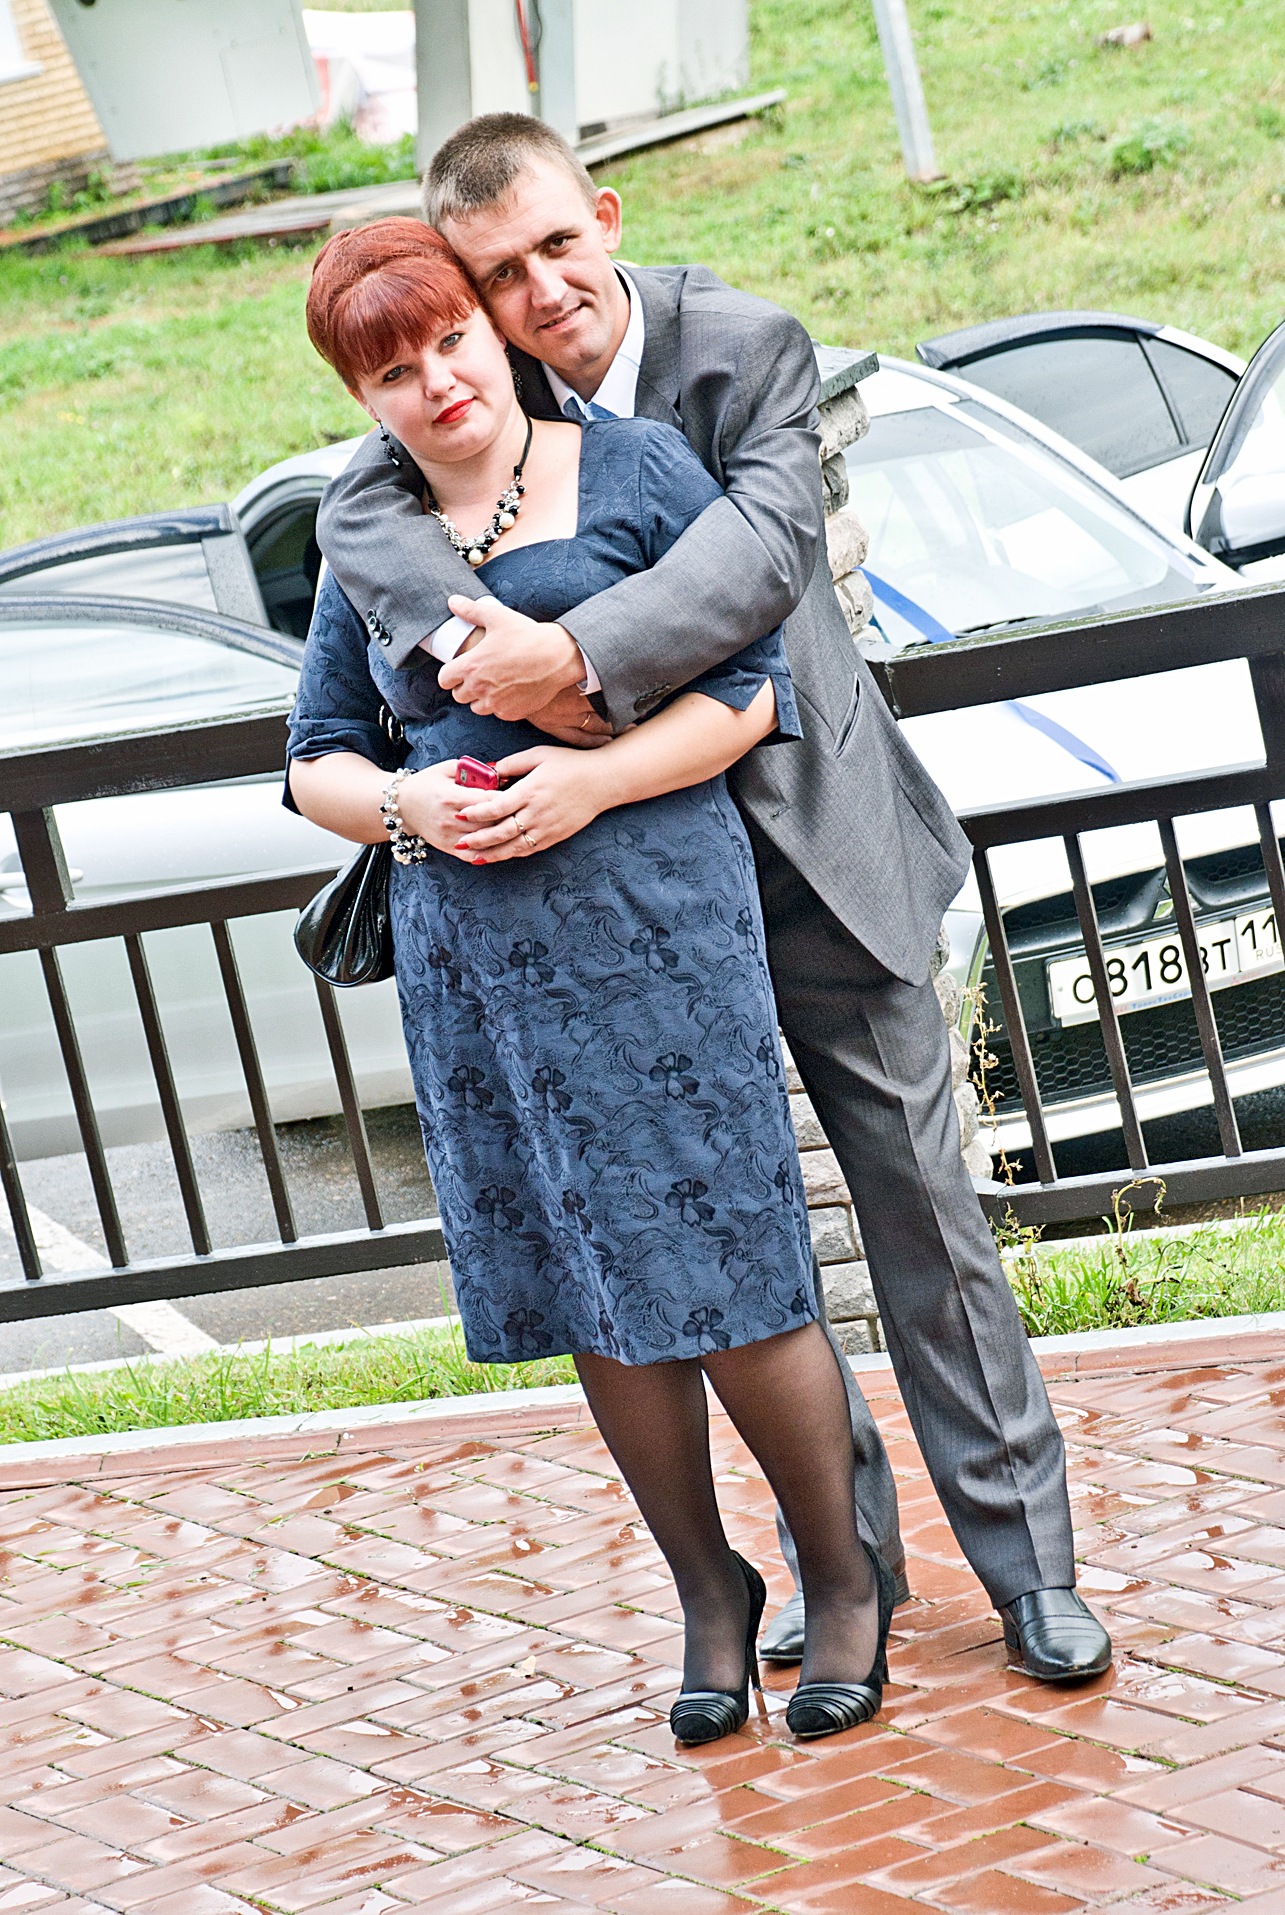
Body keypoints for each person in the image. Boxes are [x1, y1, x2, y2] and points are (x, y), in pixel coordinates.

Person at [314, 119, 1112, 1686]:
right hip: (625, 921)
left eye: (558, 246)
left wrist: (569, 665)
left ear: (604, 218)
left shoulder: (740, 349)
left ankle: (1031, 1573)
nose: (542, 292)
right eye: (500, 274)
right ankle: (842, 1571)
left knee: (919, 1219)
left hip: (812, 858)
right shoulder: (469, 385)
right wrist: (456, 671)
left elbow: (757, 559)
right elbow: (358, 519)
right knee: (747, 1257)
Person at [288, 217, 901, 1744]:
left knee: (737, 1273)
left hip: (656, 929)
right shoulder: (367, 536)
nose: (437, 385)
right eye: (393, 372)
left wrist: (590, 783)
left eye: (450, 343)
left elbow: (749, 700)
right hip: (480, 966)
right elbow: (315, 760)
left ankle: (840, 1579)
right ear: (360, 396)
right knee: (590, 1290)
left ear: (491, 333)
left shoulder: (632, 471)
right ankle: (708, 1592)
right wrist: (406, 806)